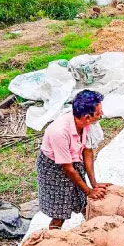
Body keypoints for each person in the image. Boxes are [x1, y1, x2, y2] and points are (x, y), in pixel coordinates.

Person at [36, 90, 109, 230]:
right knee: (60, 209)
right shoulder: (59, 132)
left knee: (82, 199)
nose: (102, 114)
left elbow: (88, 151)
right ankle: (53, 238)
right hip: (53, 167)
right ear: (87, 117)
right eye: (99, 113)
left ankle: (93, 228)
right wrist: (89, 191)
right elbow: (68, 168)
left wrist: (94, 184)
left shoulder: (88, 124)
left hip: (72, 161)